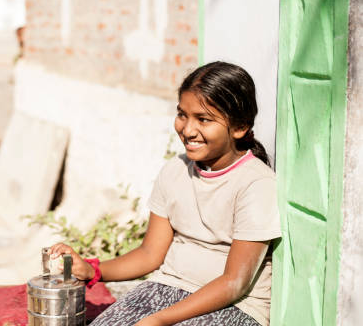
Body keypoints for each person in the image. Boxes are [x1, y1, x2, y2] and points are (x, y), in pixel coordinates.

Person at [50, 61, 281, 326]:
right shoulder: (175, 170)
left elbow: (234, 283)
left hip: (235, 306)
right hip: (166, 288)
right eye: (182, 114)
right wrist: (93, 270)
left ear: (239, 127)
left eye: (203, 119)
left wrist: (159, 321)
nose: (188, 129)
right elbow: (150, 253)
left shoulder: (255, 184)